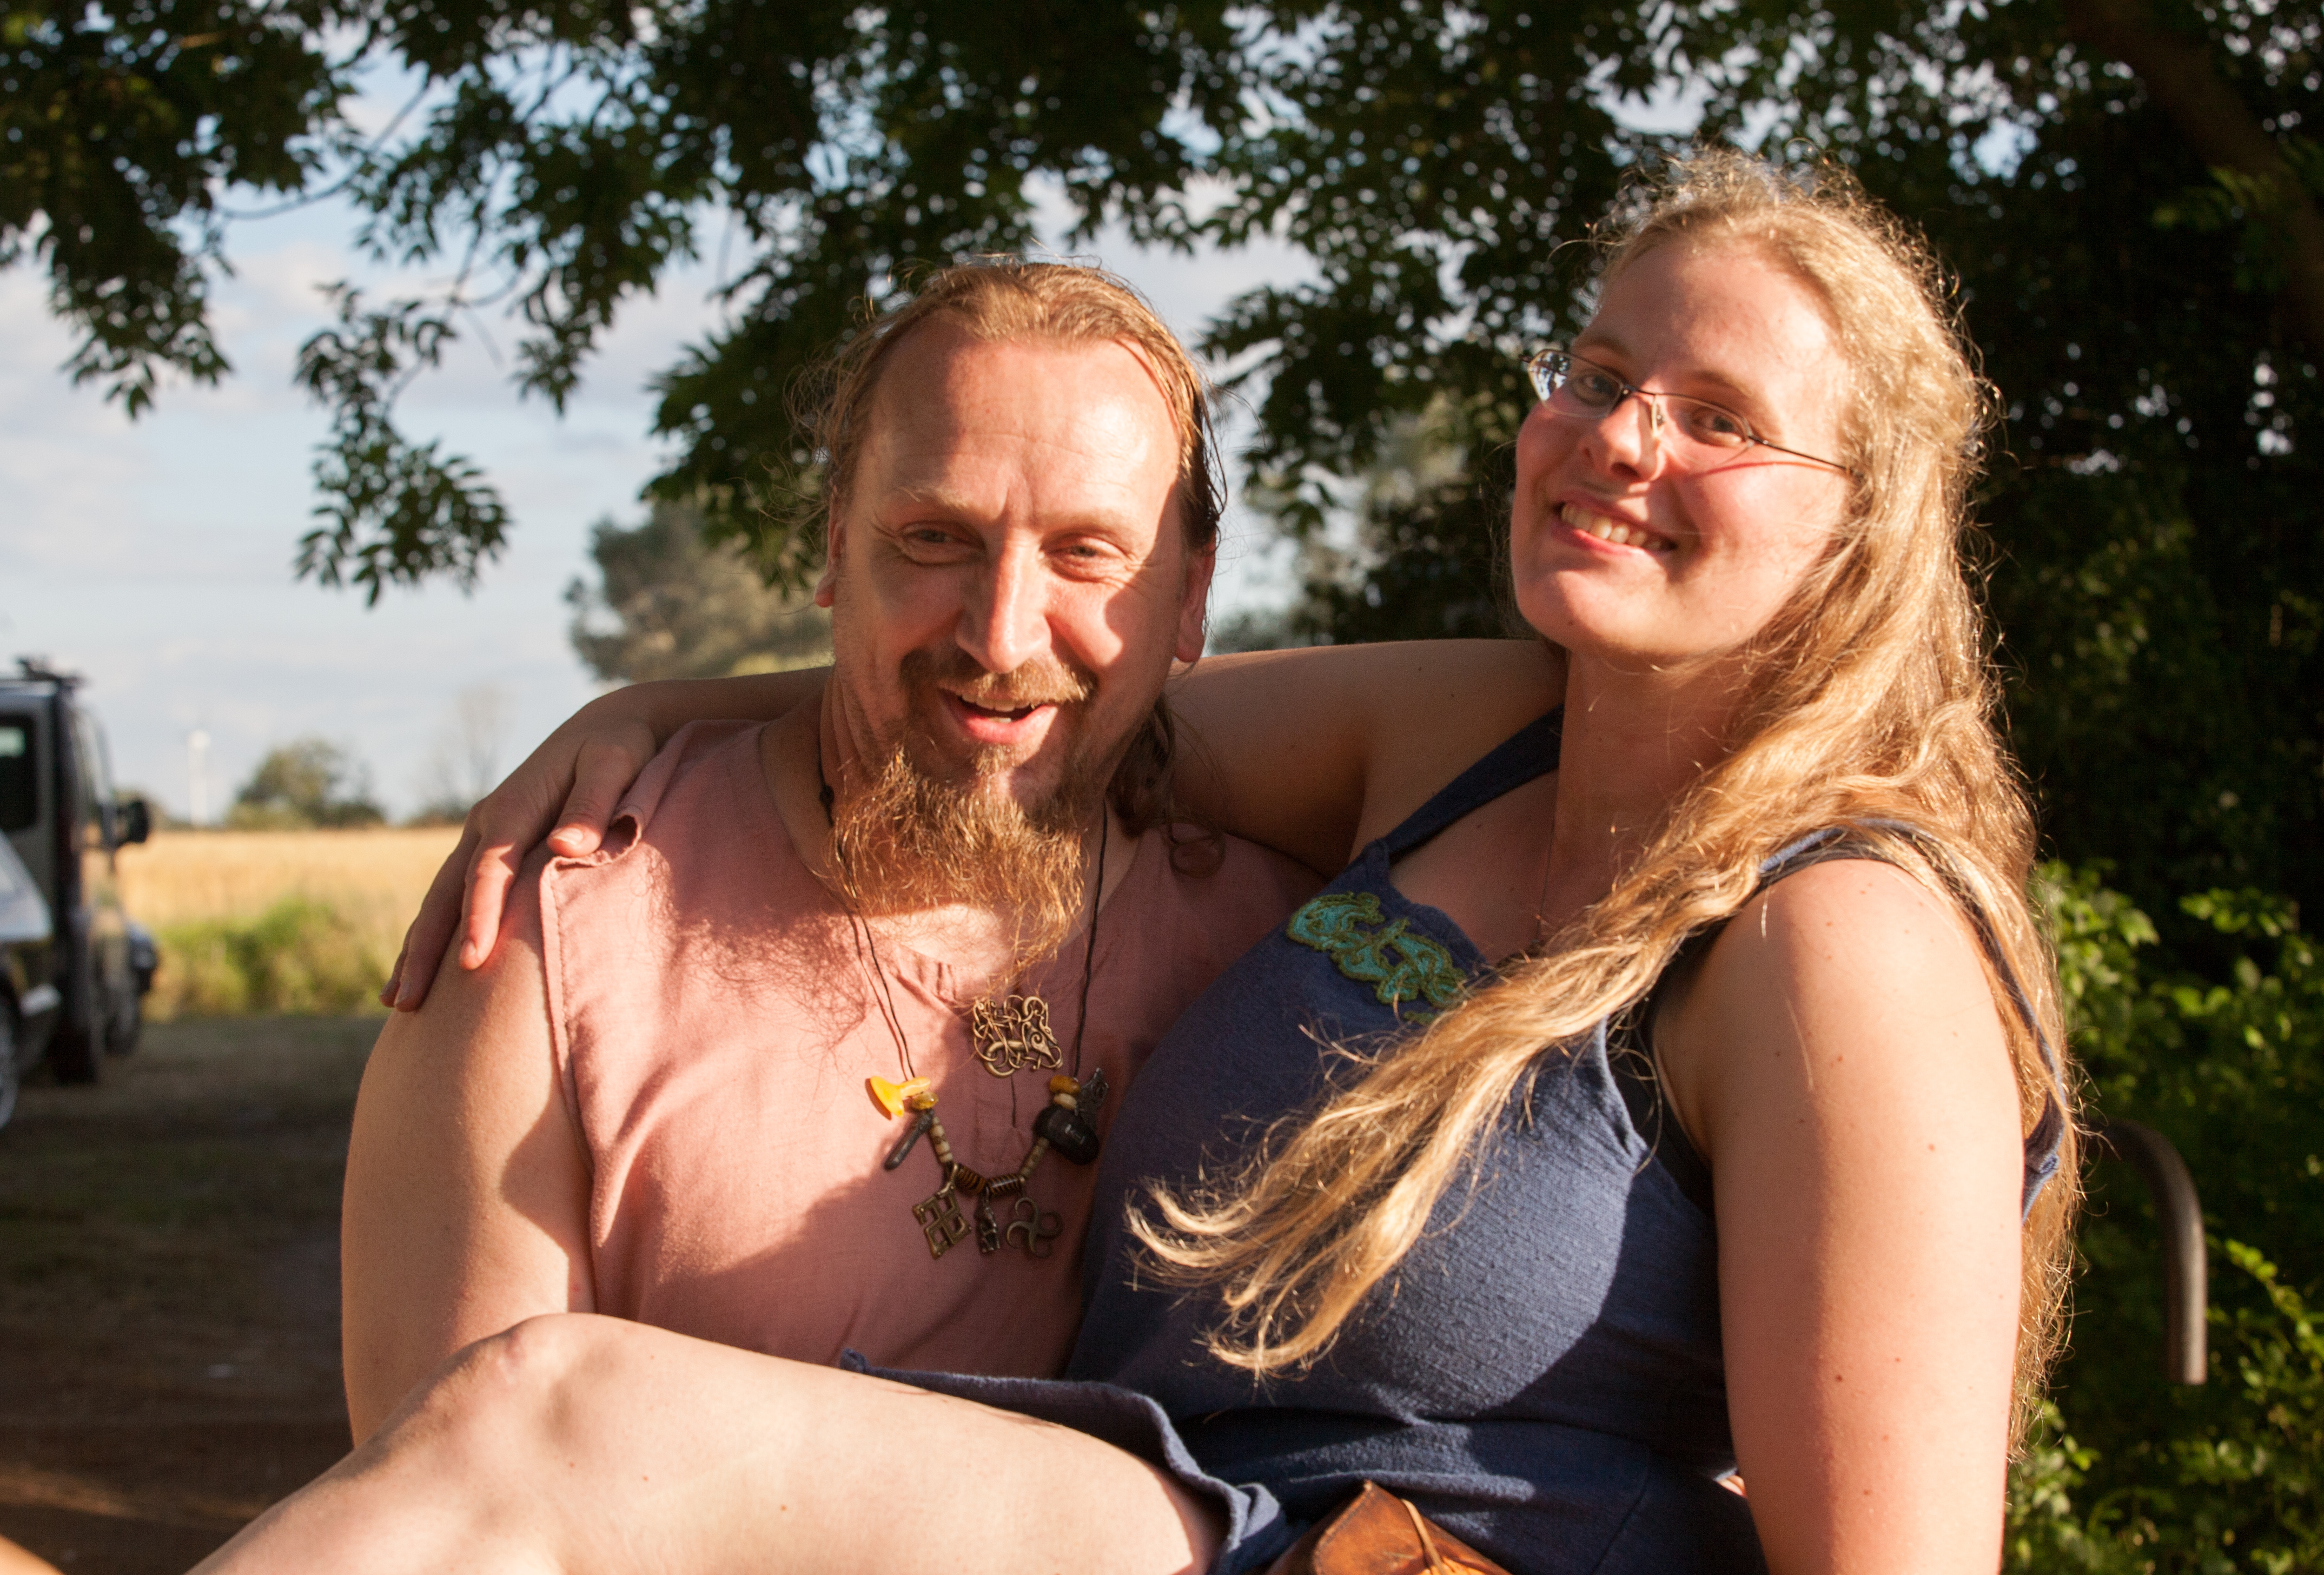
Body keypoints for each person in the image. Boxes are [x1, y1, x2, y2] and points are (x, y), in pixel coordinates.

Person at [209, 150, 2076, 1573]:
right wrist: (645, 710)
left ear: (1864, 529)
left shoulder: (1843, 937)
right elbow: (1036, 692)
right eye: (1593, 373)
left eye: (1719, 419)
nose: (1616, 436)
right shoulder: (1474, 736)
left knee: (559, 1423)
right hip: (1180, 1515)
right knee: (547, 1424)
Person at [333, 261, 1345, 1441]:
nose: (1000, 635)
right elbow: (454, 1492)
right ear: (833, 546)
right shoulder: (546, 945)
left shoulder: (1290, 961)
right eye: (934, 538)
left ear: (1191, 595)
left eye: (1086, 553)